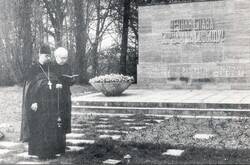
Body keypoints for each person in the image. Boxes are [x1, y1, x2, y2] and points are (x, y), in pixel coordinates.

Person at [21, 44, 66, 159]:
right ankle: (41, 153)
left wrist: (58, 85)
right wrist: (33, 102)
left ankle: (52, 152)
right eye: (46, 56)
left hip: (51, 103)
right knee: (40, 127)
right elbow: (29, 88)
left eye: (49, 56)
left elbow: (57, 79)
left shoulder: (52, 67)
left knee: (52, 126)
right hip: (39, 104)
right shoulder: (33, 68)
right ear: (40, 55)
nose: (48, 58)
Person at [53, 47, 76, 134]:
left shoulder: (68, 66)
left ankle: (63, 142)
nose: (64, 60)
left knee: (65, 116)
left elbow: (71, 79)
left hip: (65, 94)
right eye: (62, 58)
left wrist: (72, 80)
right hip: (55, 95)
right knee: (57, 117)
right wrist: (56, 84)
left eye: (65, 58)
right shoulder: (51, 67)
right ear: (56, 57)